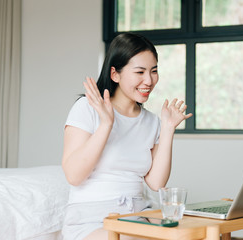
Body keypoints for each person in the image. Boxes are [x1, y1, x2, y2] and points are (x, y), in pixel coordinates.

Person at [61, 32, 192, 240]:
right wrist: (106, 124)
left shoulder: (151, 121)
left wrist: (167, 131)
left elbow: (156, 184)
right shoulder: (87, 108)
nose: (149, 80)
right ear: (115, 74)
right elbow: (74, 176)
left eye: (154, 71)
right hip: (91, 220)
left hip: (136, 216)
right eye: (139, 72)